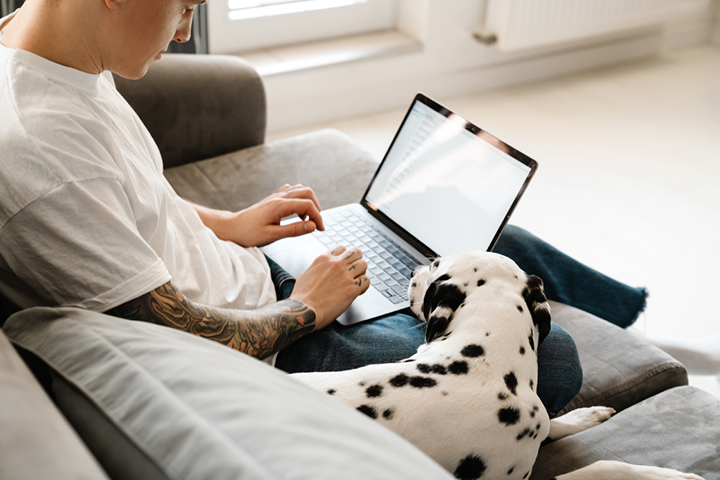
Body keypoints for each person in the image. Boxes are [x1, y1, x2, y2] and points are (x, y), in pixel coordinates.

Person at [0, 0, 647, 418]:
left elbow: (132, 196)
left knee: (465, 229)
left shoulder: (51, 55)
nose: (184, 29)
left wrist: (230, 225)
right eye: (183, 5)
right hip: (270, 347)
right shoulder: (40, 145)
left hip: (258, 277)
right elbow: (169, 332)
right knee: (554, 358)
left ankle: (632, 318)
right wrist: (307, 308)